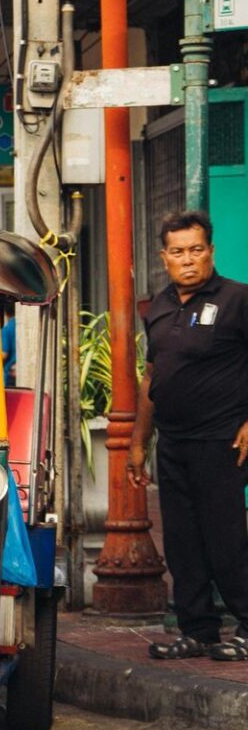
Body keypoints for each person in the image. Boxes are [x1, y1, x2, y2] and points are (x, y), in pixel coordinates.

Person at [127, 210, 248, 661]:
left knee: (226, 540)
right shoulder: (158, 307)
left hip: (222, 443)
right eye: (178, 252)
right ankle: (199, 631)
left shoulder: (238, 299)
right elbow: (151, 377)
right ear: (164, 257)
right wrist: (139, 443)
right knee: (182, 542)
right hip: (173, 443)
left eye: (197, 250)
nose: (189, 260)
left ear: (211, 252)